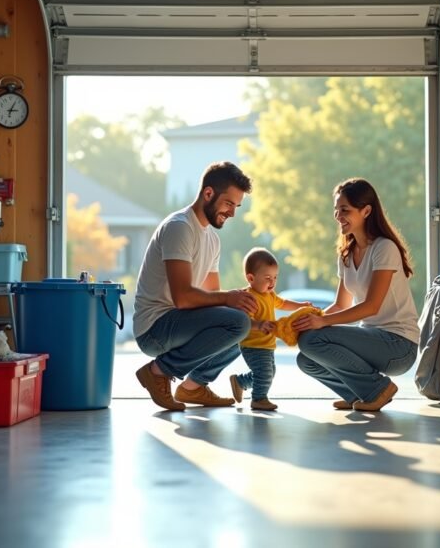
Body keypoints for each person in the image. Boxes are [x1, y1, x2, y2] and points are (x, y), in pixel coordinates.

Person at [133, 161, 257, 411]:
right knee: (238, 322)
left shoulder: (212, 238)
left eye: (237, 206)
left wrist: (240, 302)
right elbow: (184, 298)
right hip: (154, 329)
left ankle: (193, 387)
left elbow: (212, 296)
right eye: (229, 203)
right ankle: (158, 372)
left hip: (179, 323)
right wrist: (228, 299)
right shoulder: (179, 227)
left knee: (247, 324)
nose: (232, 213)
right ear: (208, 193)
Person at [292, 178, 419, 412]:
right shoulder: (347, 254)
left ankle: (378, 389)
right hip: (371, 337)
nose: (338, 215)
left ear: (366, 211)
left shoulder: (384, 248)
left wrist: (321, 323)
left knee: (313, 341)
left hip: (399, 345)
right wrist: (306, 322)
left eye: (345, 210)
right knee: (306, 358)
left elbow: (371, 307)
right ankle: (358, 394)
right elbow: (340, 305)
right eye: (336, 210)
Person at [229, 247, 316, 411]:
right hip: (253, 344)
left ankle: (240, 382)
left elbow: (283, 303)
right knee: (264, 373)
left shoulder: (270, 295)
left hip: (267, 344)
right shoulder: (249, 298)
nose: (272, 282)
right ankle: (259, 399)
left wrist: (300, 305)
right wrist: (259, 325)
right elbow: (244, 321)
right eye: (267, 278)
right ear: (251, 278)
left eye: (275, 277)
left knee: (268, 372)